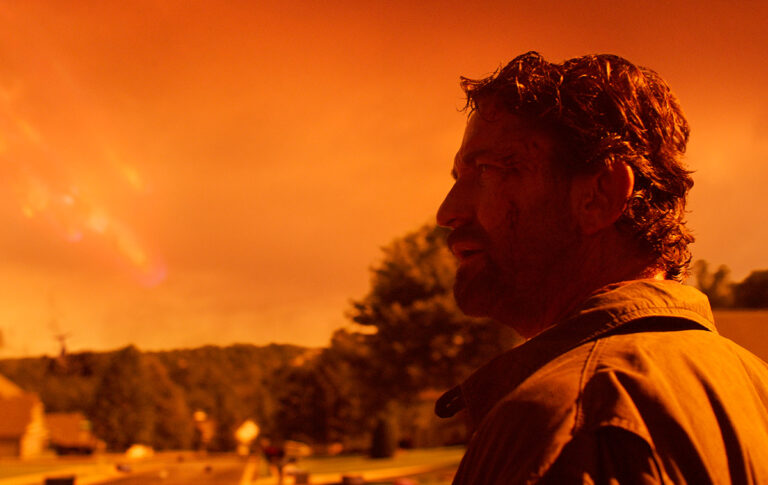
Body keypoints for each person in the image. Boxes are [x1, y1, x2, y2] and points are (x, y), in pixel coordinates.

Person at [434, 51, 768, 484]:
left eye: (486, 171)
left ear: (600, 194)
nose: (447, 211)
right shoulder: (755, 388)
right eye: (456, 178)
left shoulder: (562, 422)